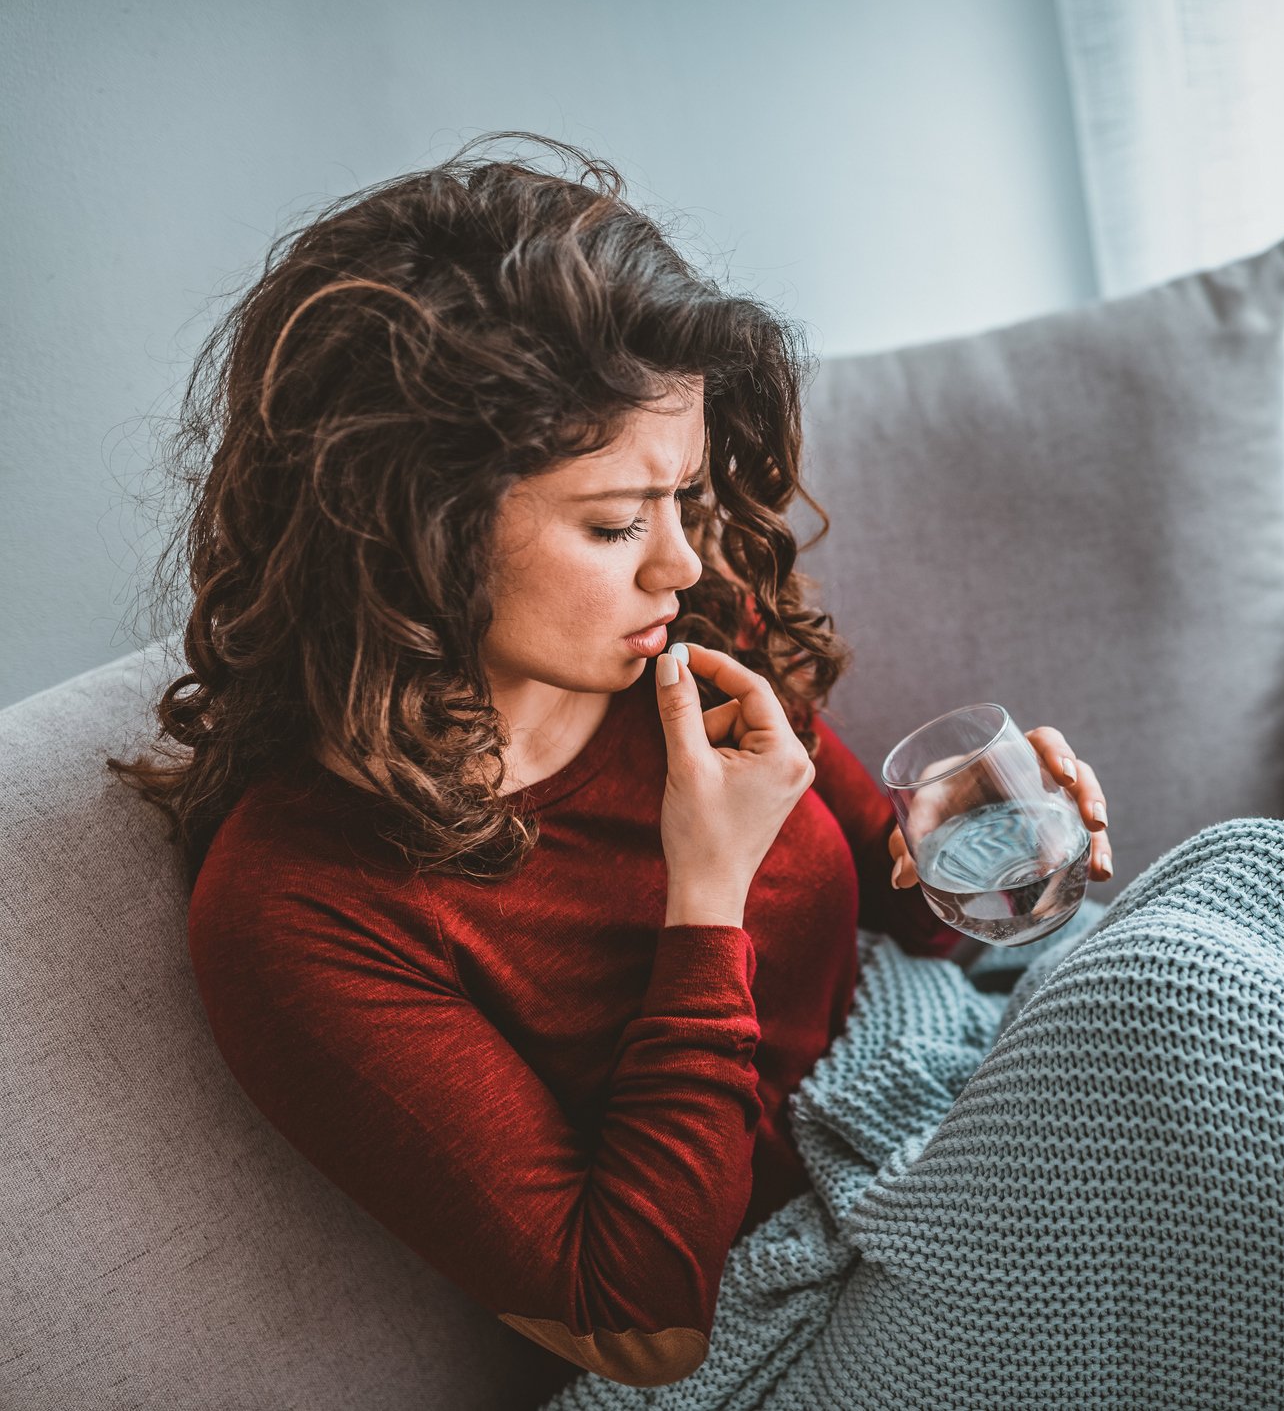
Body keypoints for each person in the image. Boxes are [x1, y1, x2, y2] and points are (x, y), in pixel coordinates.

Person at [110, 134, 1115, 1390]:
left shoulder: (678, 646)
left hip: (941, 1102)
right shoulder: (299, 906)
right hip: (787, 1311)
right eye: (613, 522)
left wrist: (985, 830)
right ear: (412, 525)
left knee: (1238, 895)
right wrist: (705, 898)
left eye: (682, 500)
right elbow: (640, 1321)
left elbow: (907, 913)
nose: (682, 563)